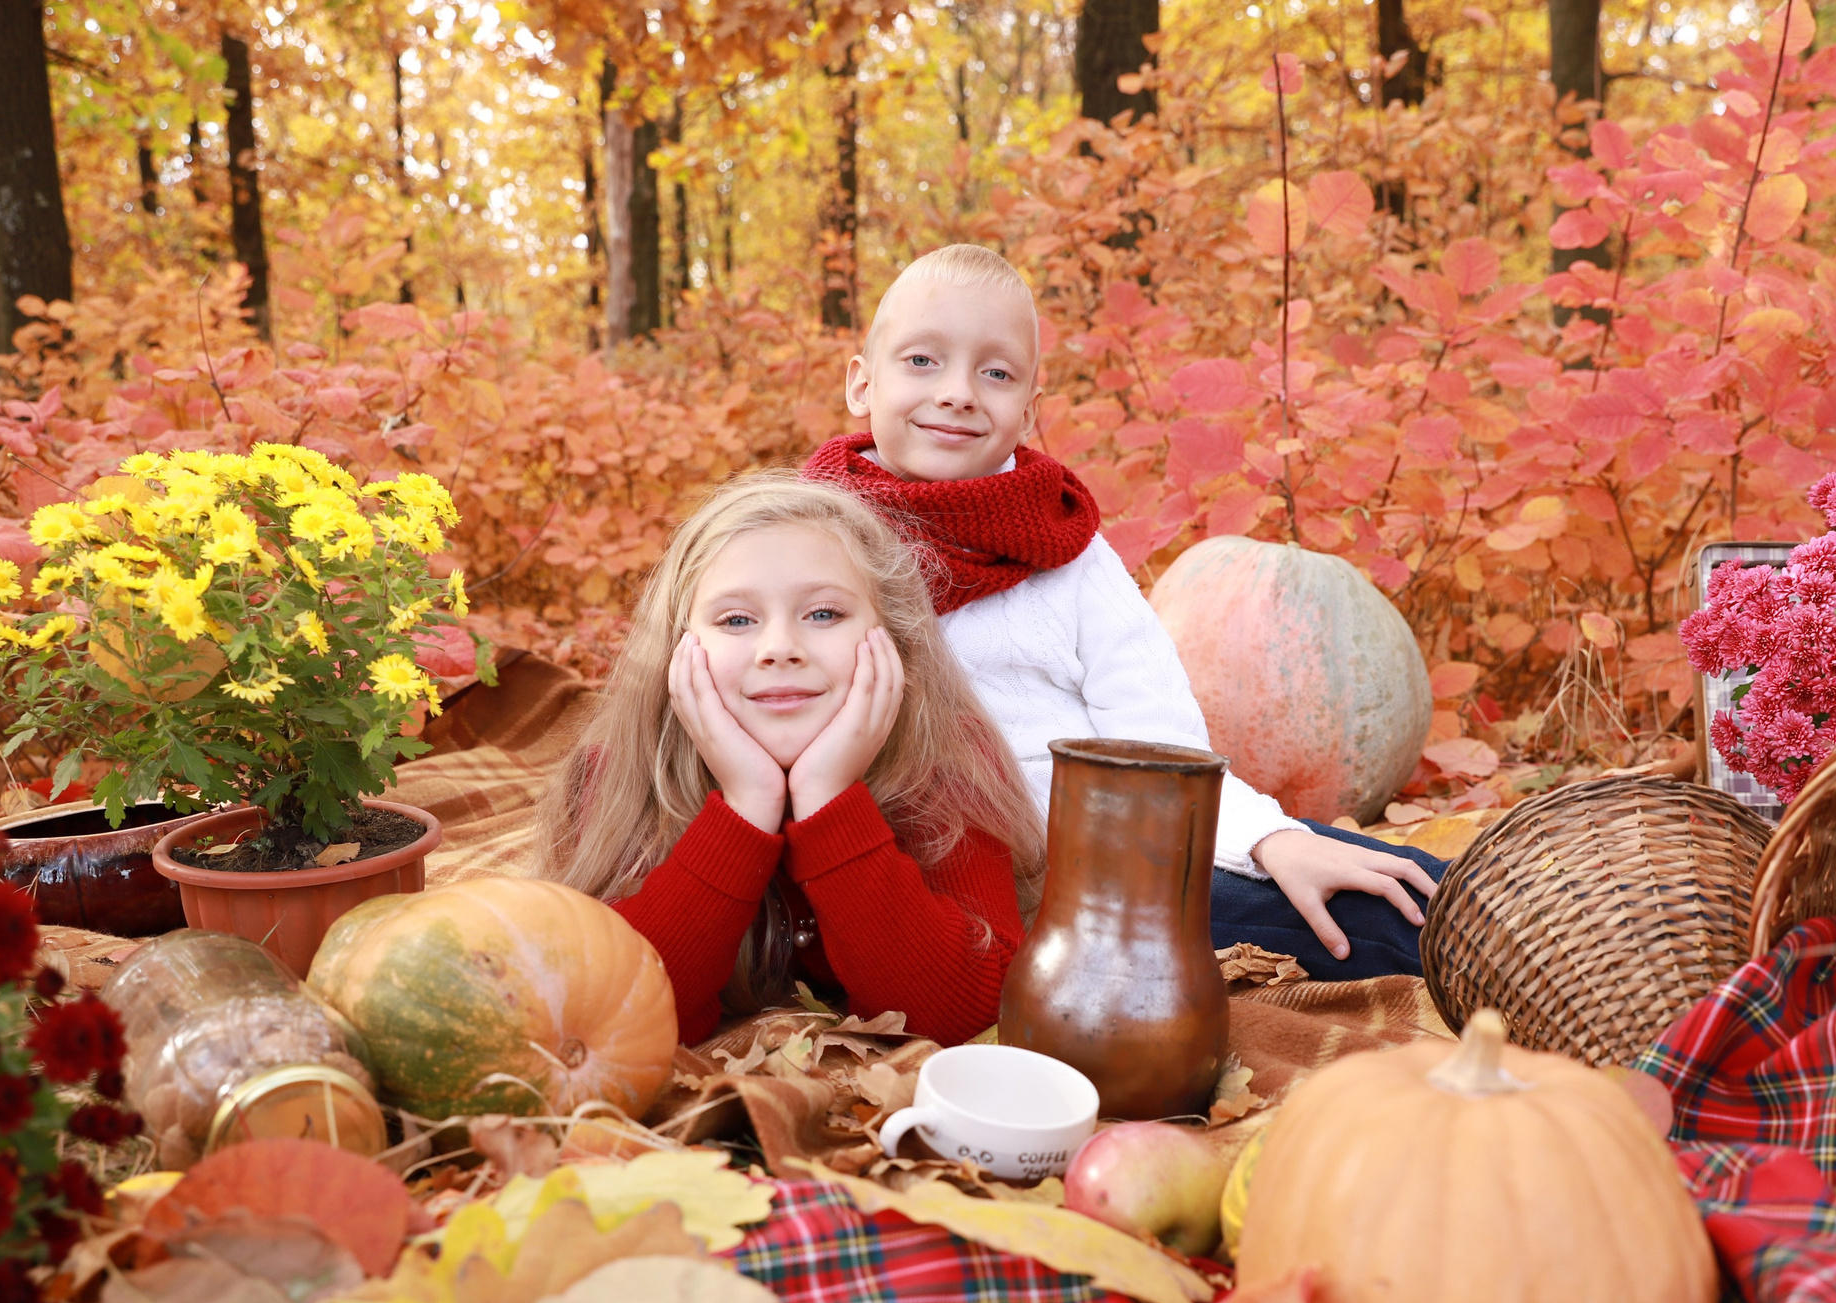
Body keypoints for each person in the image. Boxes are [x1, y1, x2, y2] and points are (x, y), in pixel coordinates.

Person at [803, 243, 1446, 982]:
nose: (957, 392)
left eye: (997, 372)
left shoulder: (1065, 550)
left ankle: (1559, 920)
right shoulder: (820, 544)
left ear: (1030, 409)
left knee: (1400, 880)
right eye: (922, 361)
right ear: (861, 382)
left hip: (1120, 843)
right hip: (974, 887)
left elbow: (1158, 741)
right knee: (1369, 924)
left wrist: (1269, 839)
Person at [536, 470, 1042, 1046]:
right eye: (736, 620)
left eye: (823, 614)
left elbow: (965, 1013)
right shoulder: (622, 773)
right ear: (677, 648)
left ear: (893, 637)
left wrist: (828, 799)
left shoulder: (948, 762)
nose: (779, 649)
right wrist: (748, 806)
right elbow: (612, 1011)